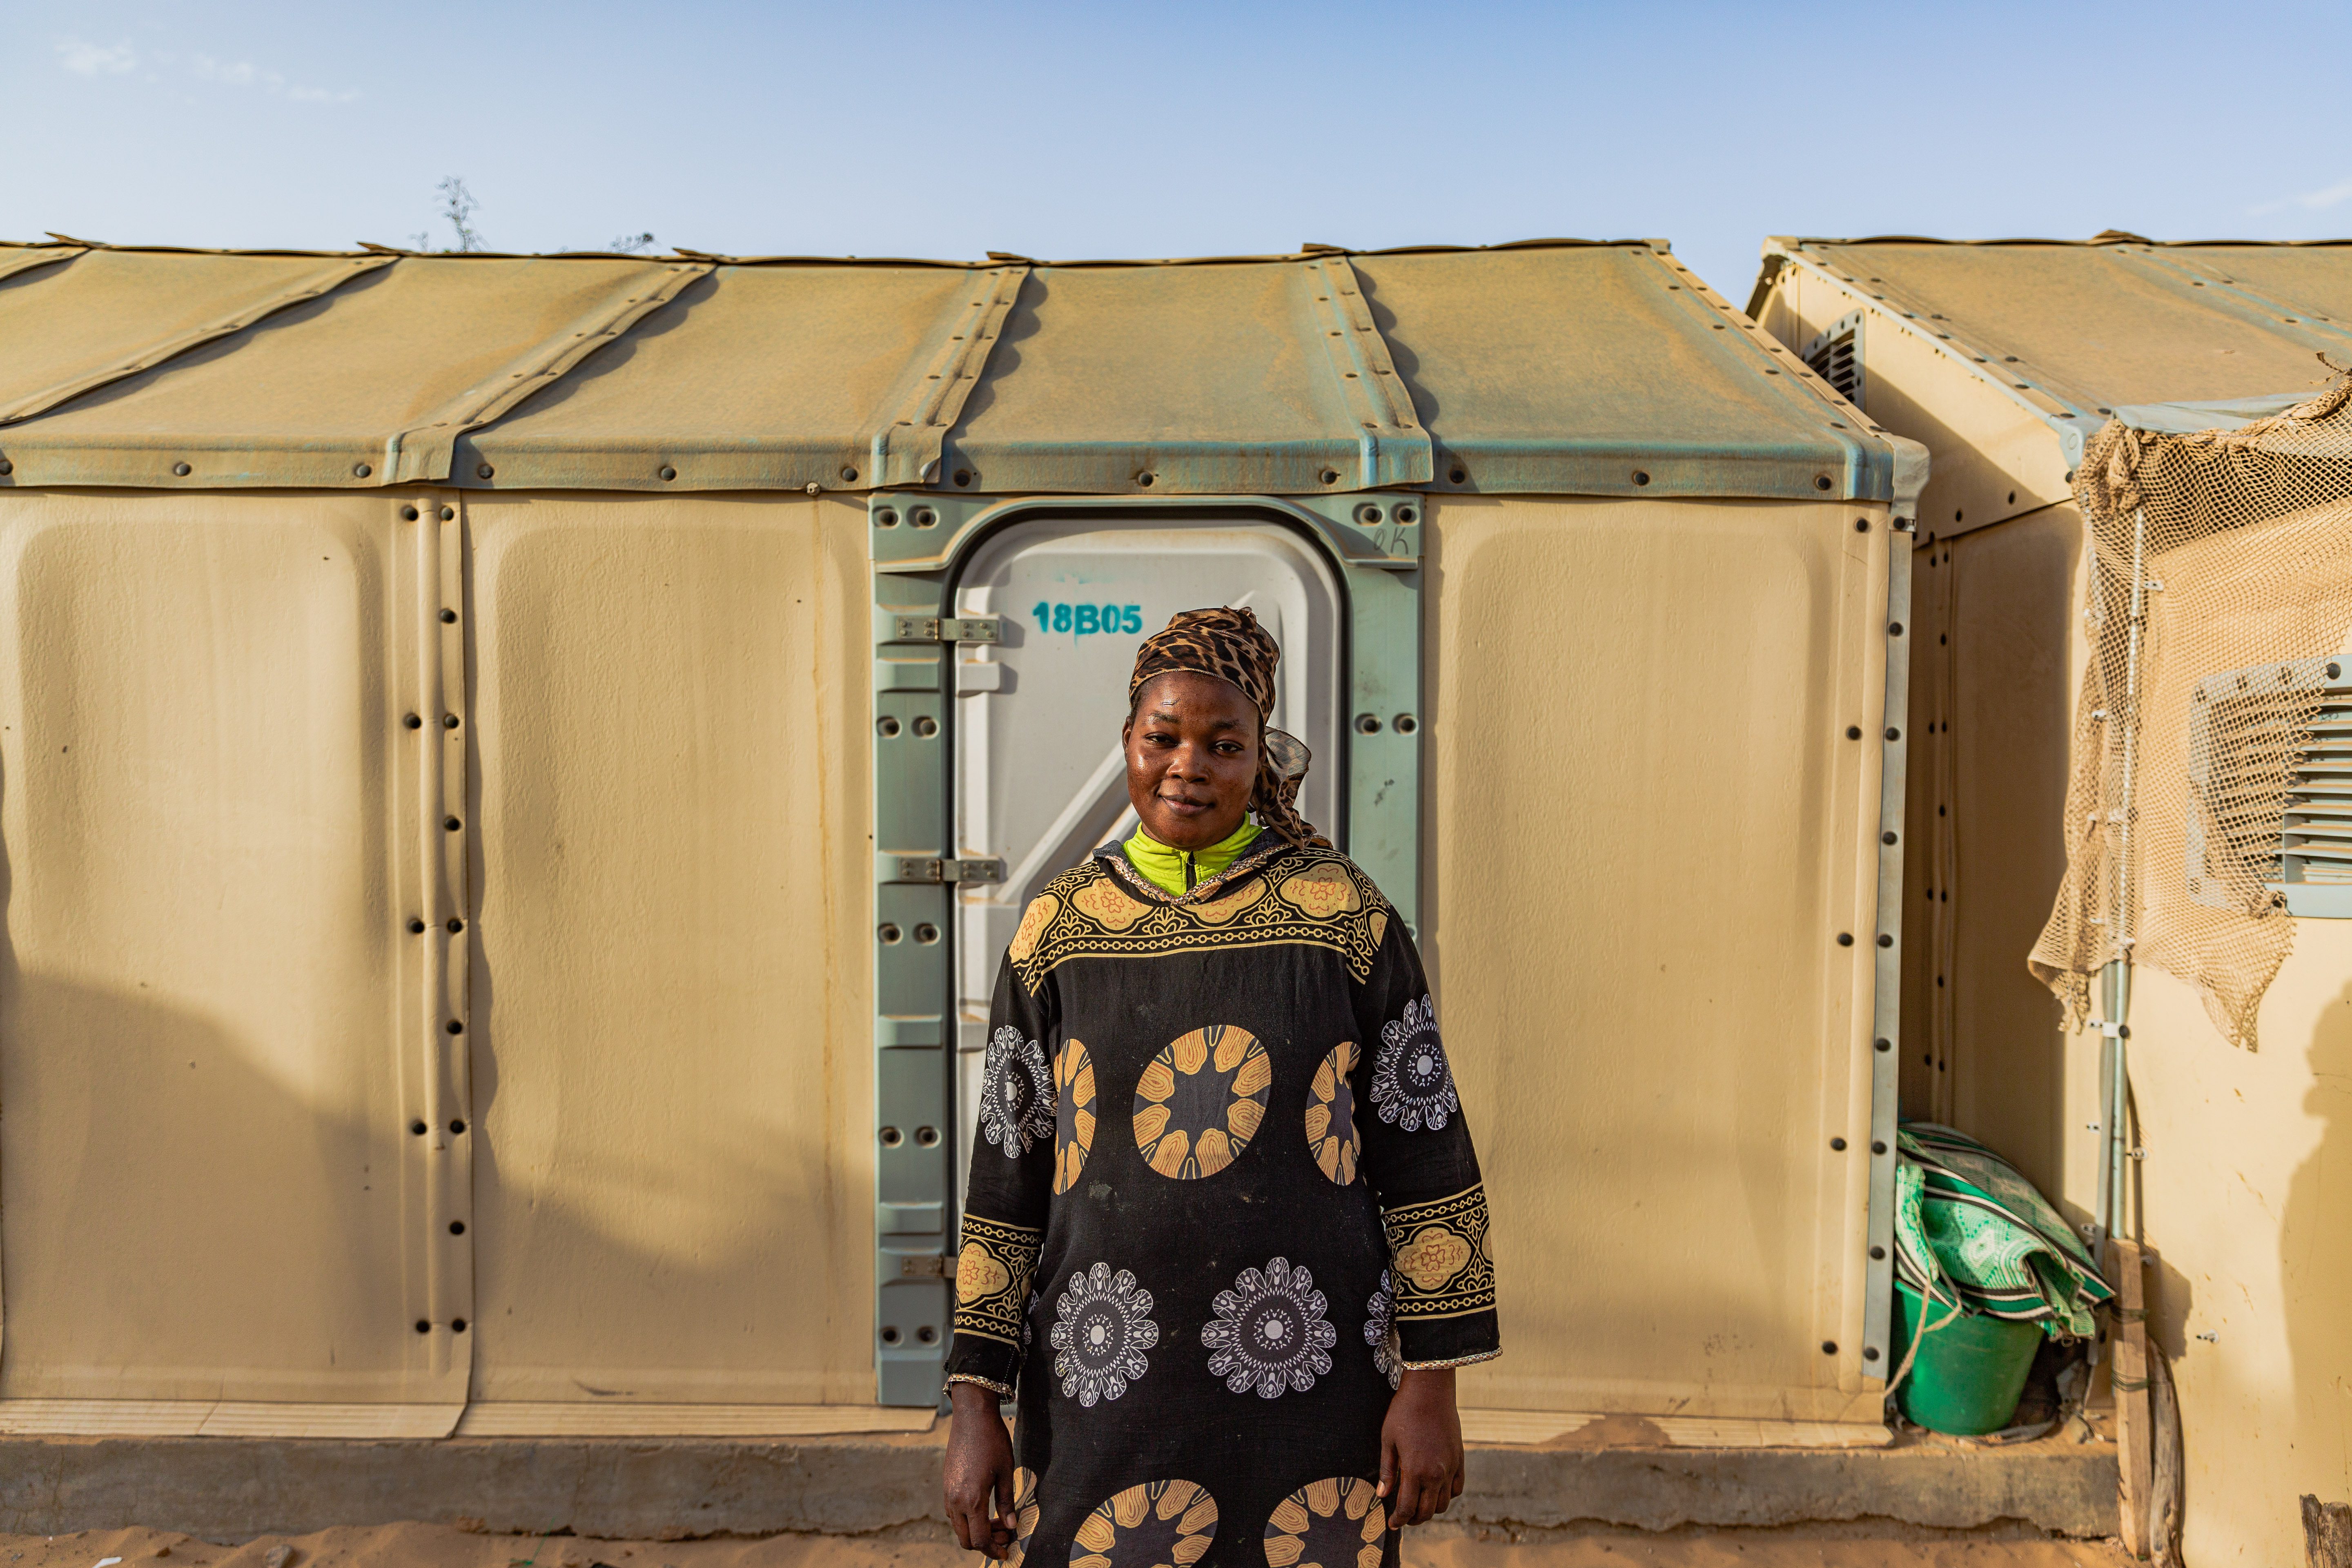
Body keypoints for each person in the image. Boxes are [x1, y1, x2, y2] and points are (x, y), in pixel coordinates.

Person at [941, 606, 1499, 1567]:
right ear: (1128, 742)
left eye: (1224, 744)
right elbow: (1006, 1179)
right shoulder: (1061, 928)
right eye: (1163, 737)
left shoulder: (1343, 917)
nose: (1188, 764)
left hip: (1313, 1378)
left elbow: (1425, 1153)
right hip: (1098, 1379)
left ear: (1262, 762)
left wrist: (1432, 1384)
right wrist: (974, 1404)